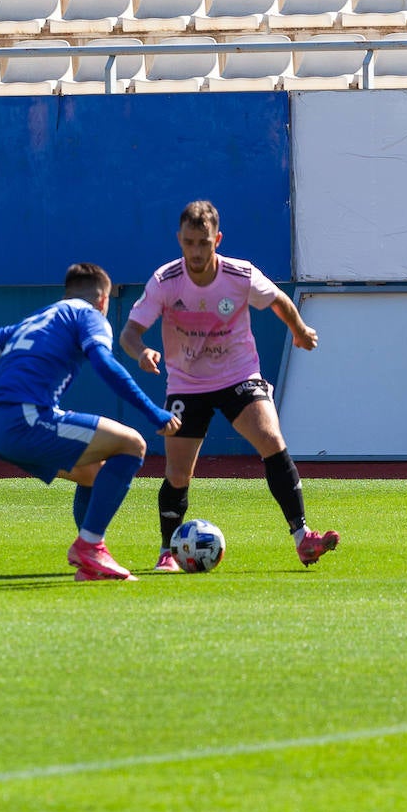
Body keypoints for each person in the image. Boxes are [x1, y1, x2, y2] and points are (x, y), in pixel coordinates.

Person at [0, 262, 182, 582]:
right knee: (133, 444)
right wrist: (154, 411)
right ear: (103, 300)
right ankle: (90, 546)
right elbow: (105, 365)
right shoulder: (88, 315)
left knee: (93, 475)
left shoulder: (36, 321)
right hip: (26, 419)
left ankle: (91, 564)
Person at [119, 200, 339, 570]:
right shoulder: (165, 281)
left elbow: (279, 300)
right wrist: (141, 353)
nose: (196, 252)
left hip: (238, 374)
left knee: (271, 440)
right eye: (189, 243)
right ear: (179, 240)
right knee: (177, 474)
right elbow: (129, 333)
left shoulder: (239, 275)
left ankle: (303, 537)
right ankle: (167, 552)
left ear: (217, 239)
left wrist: (299, 331)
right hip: (187, 385)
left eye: (203, 243)